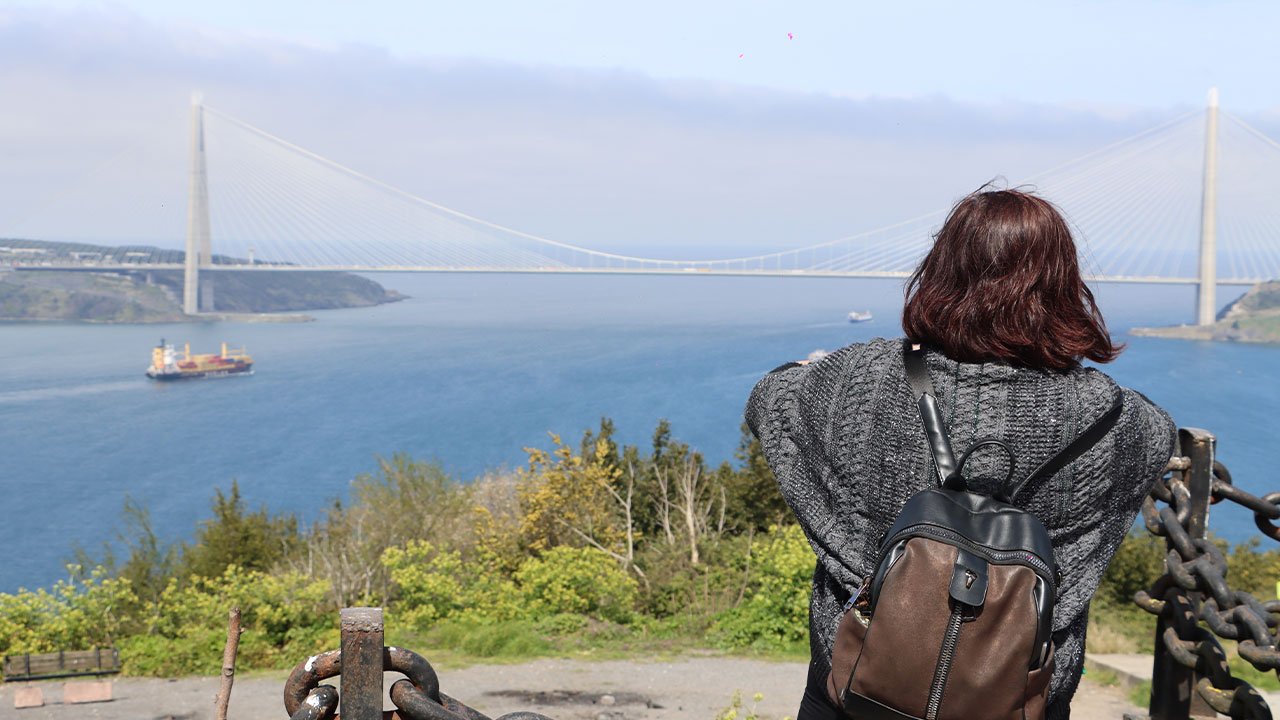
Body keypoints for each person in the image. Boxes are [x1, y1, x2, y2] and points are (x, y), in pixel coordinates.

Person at [745, 187, 1176, 720]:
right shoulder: (1115, 420)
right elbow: (1159, 432)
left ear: (941, 271)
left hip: (855, 687)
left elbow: (772, 398)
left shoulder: (861, 379)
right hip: (1019, 700)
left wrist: (808, 371)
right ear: (1063, 285)